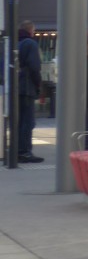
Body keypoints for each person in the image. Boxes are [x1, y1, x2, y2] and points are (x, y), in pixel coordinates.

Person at [16, 20, 43, 163]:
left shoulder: (16, 43)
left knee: (20, 121)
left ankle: (19, 150)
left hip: (16, 88)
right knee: (28, 121)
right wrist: (38, 84)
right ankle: (25, 152)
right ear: (31, 30)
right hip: (27, 87)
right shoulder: (31, 44)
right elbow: (34, 67)